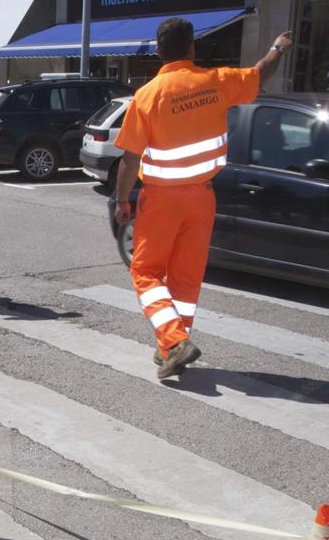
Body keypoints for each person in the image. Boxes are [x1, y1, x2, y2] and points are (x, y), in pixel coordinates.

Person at [113, 19, 294, 378]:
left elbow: (130, 157)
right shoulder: (215, 82)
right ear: (192, 47)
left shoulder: (148, 95)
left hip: (162, 200)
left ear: (159, 52)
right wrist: (278, 47)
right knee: (185, 279)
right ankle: (172, 346)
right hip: (203, 198)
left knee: (146, 272)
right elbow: (260, 74)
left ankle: (174, 341)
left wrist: (122, 201)